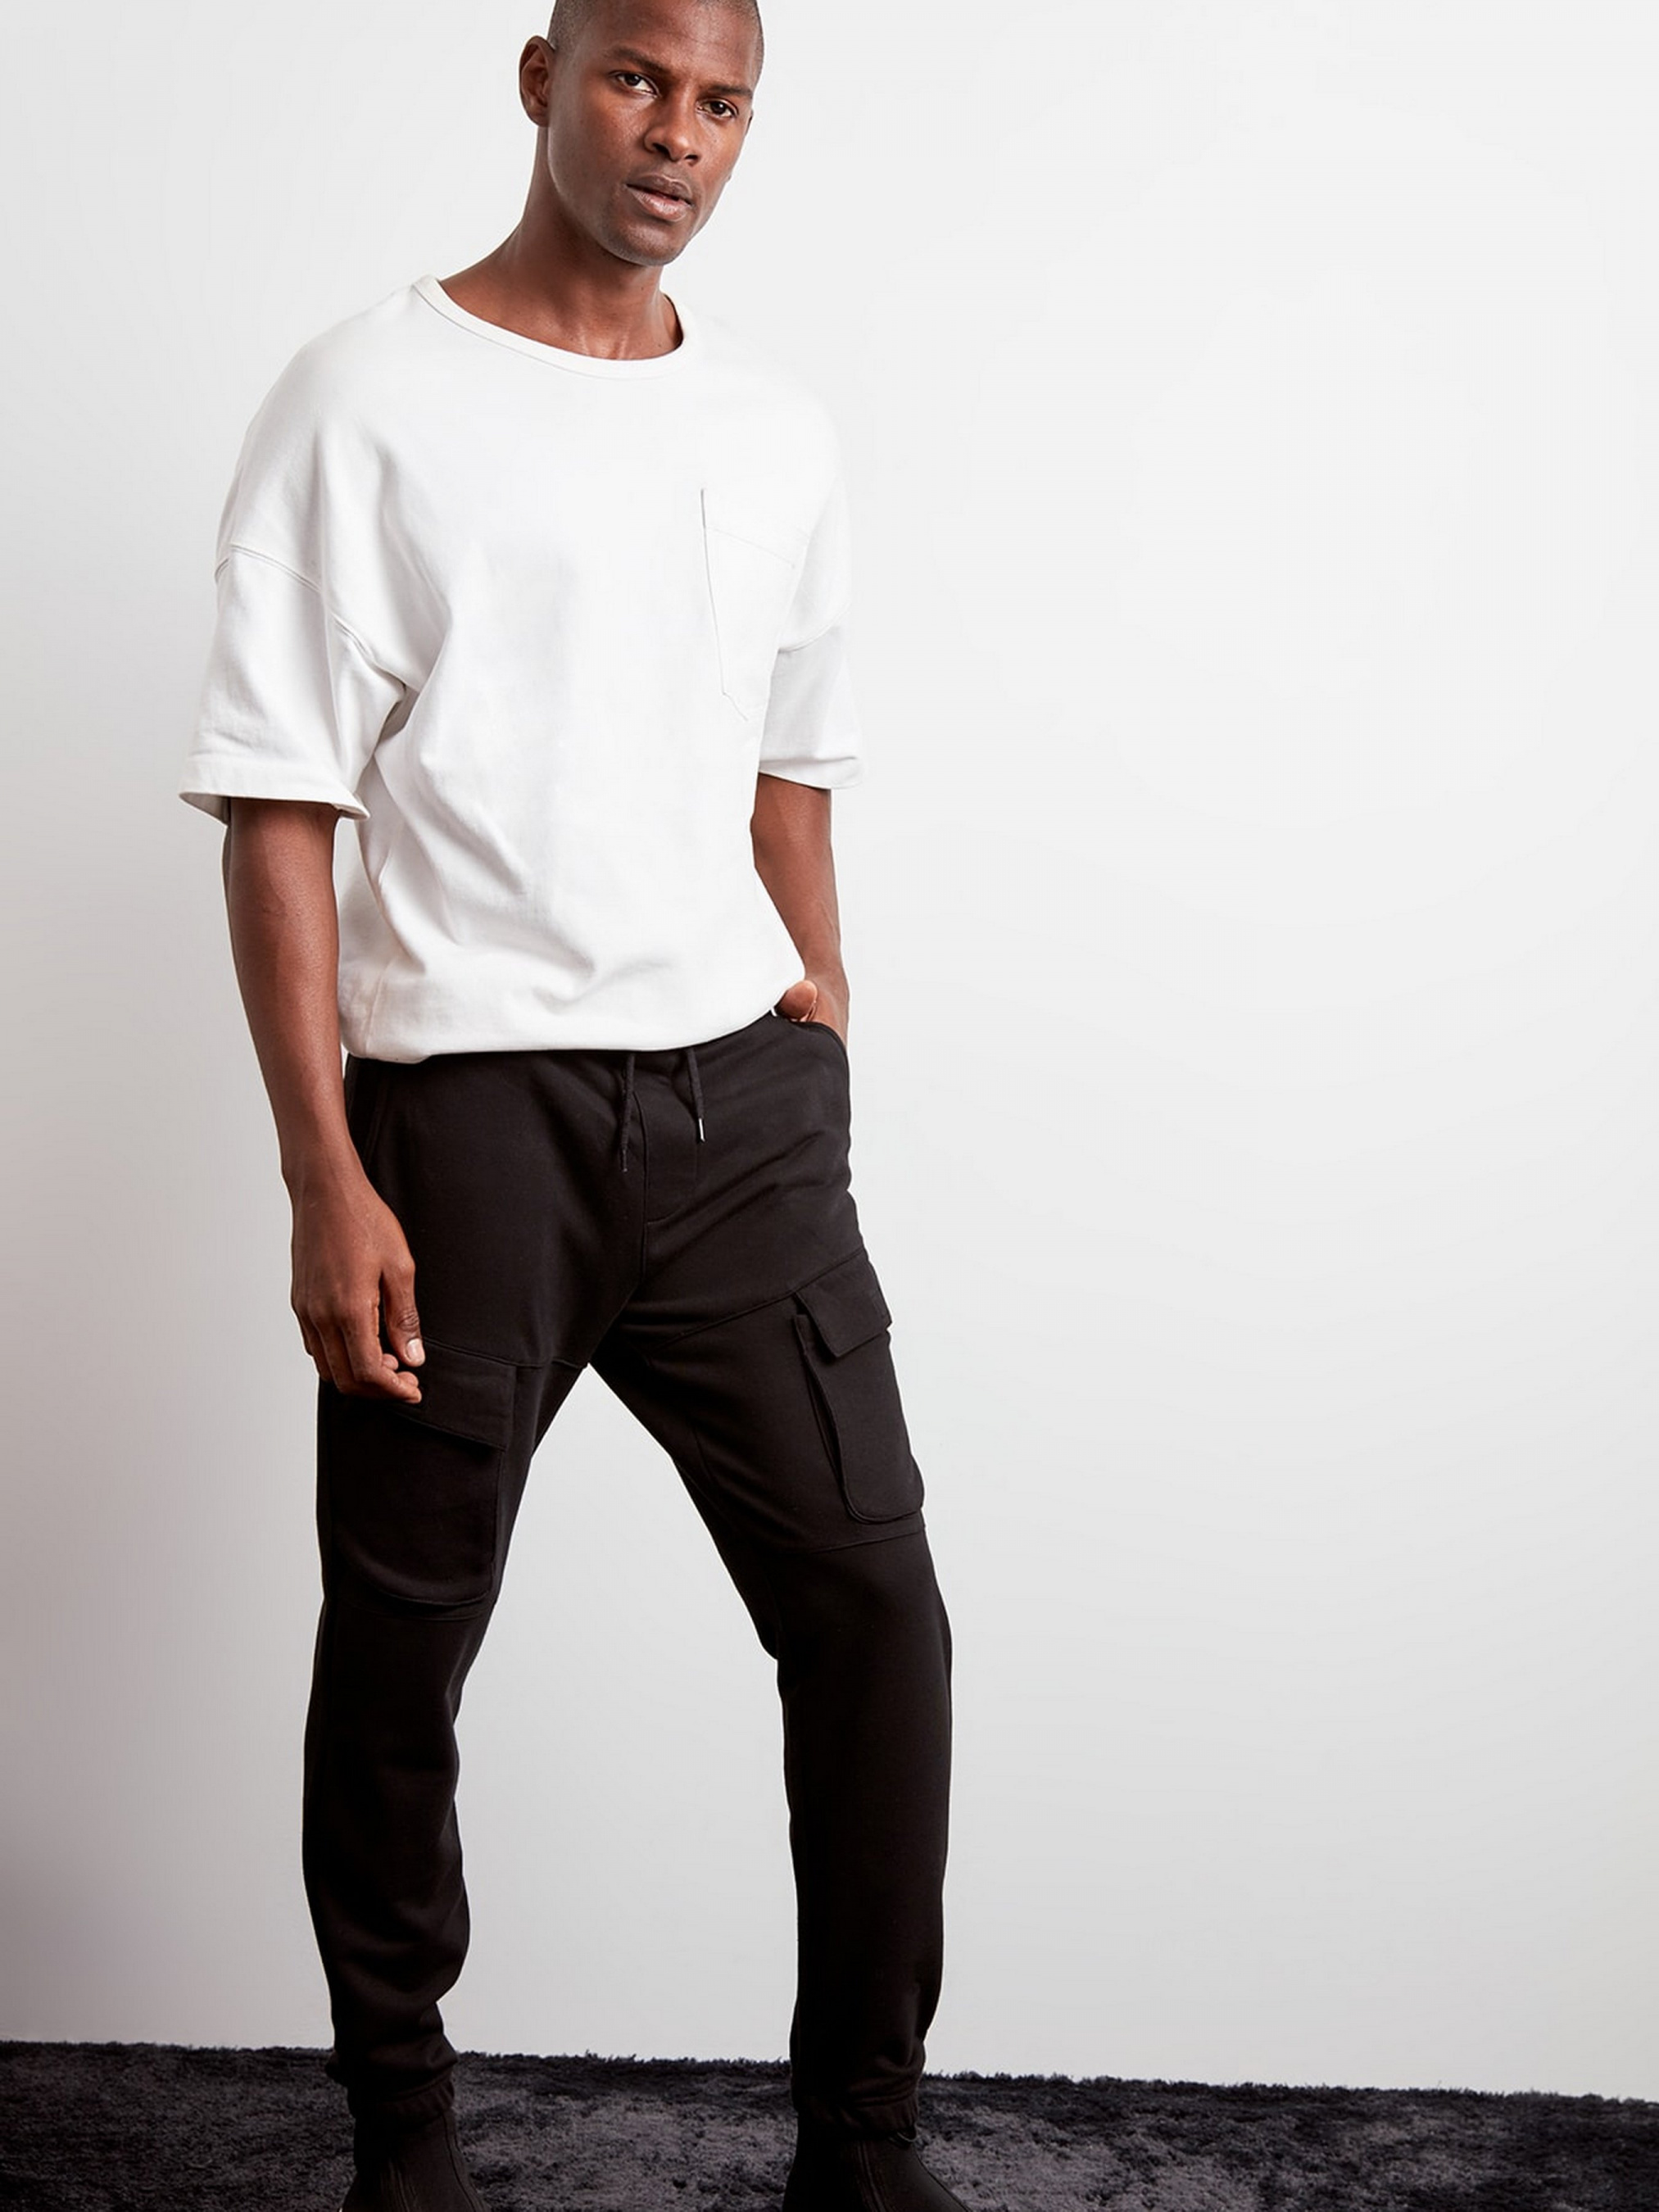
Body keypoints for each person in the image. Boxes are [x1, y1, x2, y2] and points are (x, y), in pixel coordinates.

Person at [176, 2, 969, 2209]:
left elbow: (789, 754)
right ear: (540, 77)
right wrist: (322, 1171)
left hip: (742, 1126)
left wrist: (820, 1013)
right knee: (403, 1647)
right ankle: (406, 2141)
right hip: (464, 1129)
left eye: (722, 103)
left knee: (873, 1616)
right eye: (637, 80)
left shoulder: (773, 428)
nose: (676, 136)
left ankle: (863, 2145)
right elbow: (279, 803)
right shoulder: (362, 400)